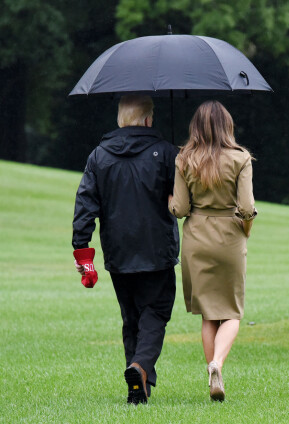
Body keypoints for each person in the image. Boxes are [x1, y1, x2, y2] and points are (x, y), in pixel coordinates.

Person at [72, 95, 180, 404]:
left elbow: (84, 205)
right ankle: (139, 366)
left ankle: (138, 389)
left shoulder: (99, 156)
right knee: (156, 312)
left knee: (131, 317)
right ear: (148, 120)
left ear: (121, 120)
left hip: (118, 252)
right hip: (157, 249)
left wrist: (82, 249)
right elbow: (182, 199)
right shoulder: (165, 153)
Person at [168, 101, 256, 401]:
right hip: (229, 238)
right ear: (227, 126)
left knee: (208, 313)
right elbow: (246, 208)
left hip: (196, 238)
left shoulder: (184, 158)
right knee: (231, 311)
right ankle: (218, 363)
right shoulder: (241, 158)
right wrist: (246, 226)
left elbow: (179, 209)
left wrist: (170, 198)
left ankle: (211, 372)